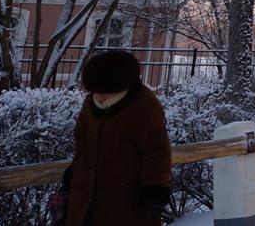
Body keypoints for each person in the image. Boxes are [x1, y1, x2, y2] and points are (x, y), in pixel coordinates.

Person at [59, 49, 172, 226]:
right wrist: (72, 175)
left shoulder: (143, 105)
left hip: (127, 201)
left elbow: (157, 152)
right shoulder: (90, 104)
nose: (101, 97)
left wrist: (155, 191)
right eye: (97, 91)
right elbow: (82, 144)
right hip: (84, 200)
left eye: (106, 92)